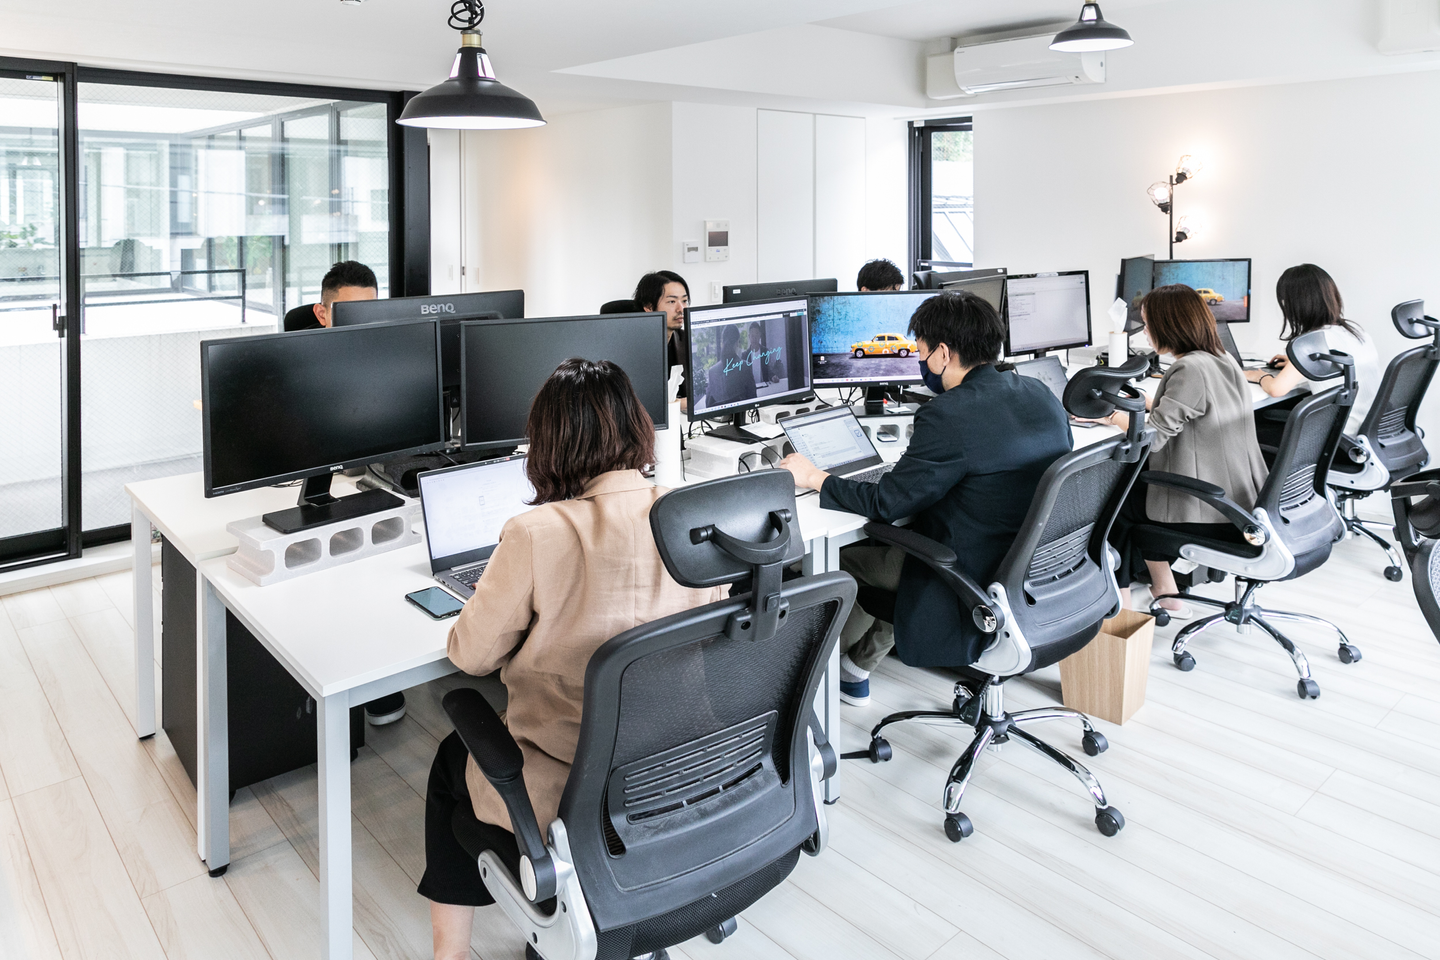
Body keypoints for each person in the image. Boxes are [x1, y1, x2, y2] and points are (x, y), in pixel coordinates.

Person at [419, 359, 725, 960]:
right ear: (636, 427)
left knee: (451, 759)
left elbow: (471, 656)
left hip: (571, 792)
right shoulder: (692, 516)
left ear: (549, 444)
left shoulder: (536, 532)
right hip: (676, 774)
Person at [780, 291, 1071, 706]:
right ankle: (857, 668)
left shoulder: (950, 413)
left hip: (967, 572)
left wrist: (814, 477)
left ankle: (802, 685)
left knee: (828, 561)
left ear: (944, 354)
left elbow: (887, 503)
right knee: (902, 546)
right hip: (1031, 565)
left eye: (920, 352)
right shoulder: (1039, 392)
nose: (919, 361)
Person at [1101, 284, 1269, 616]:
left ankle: (1121, 612)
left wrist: (1109, 417)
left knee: (1115, 504)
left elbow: (1153, 438)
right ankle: (1166, 592)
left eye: (1148, 323)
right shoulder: (1221, 359)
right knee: (1131, 495)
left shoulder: (1189, 369)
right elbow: (1197, 409)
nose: (1145, 331)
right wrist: (1143, 403)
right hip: (1240, 499)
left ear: (1169, 325)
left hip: (1211, 509)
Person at [1245, 263, 1380, 437]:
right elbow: (1346, 369)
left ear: (1295, 304)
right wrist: (1297, 364)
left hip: (1339, 436)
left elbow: (1276, 390)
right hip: (1370, 429)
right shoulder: (1355, 332)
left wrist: (1259, 376)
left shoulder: (1312, 342)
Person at [634, 270, 691, 404]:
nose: (681, 309)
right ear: (649, 307)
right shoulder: (634, 348)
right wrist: (679, 404)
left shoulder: (685, 339)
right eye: (672, 301)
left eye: (684, 301)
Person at [282, 260, 378, 331]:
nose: (361, 323)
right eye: (348, 313)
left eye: (369, 311)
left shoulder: (382, 343)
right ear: (321, 315)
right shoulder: (299, 350)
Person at [703, 323, 759, 410]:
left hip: (720, 418)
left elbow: (708, 405)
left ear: (722, 342)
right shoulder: (745, 367)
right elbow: (753, 400)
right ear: (737, 342)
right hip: (742, 415)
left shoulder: (712, 371)